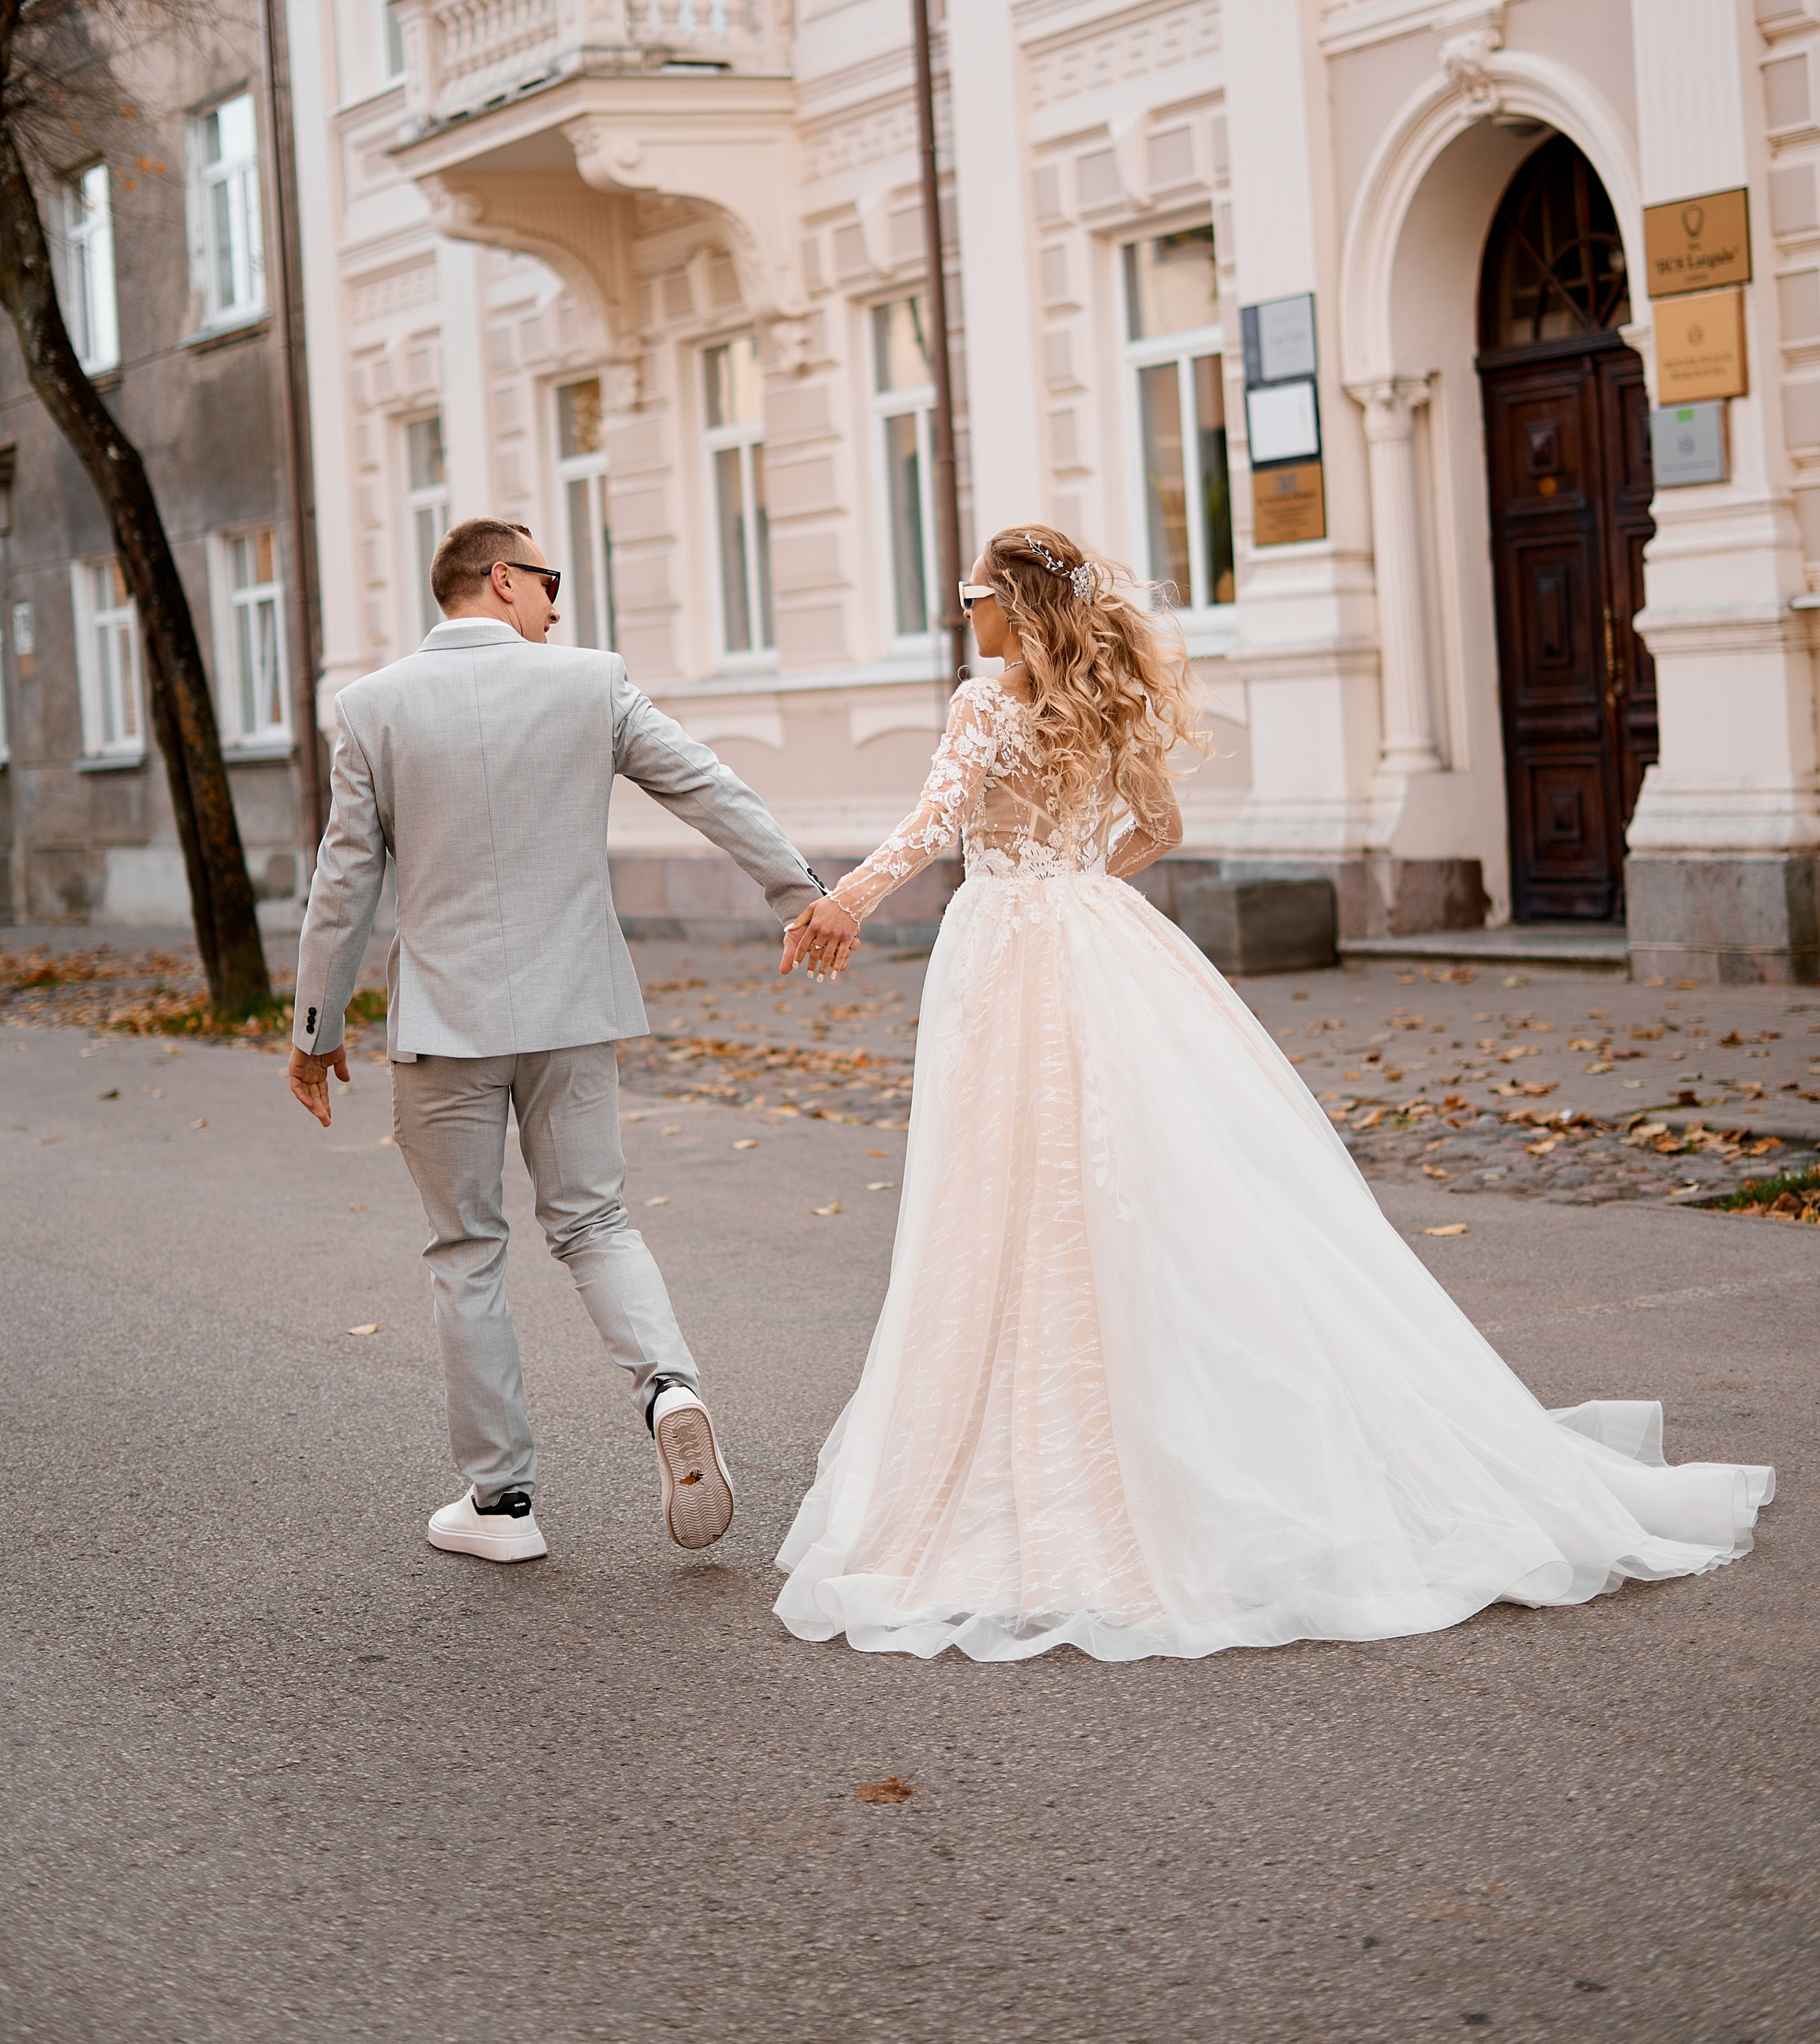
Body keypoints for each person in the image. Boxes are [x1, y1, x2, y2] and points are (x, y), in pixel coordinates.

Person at [772, 523, 1775, 1663]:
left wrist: (845, 900)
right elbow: (1161, 828)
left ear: (1014, 603)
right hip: (1097, 937)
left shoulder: (979, 703)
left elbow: (932, 826)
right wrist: (1074, 884)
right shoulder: (1105, 703)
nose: (966, 616)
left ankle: (1056, 1441)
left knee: (1009, 1182)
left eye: (973, 596)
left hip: (1005, 947)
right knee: (1144, 1173)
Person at [287, 516, 827, 1566]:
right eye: (547, 580)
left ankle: (500, 1507)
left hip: (446, 1024)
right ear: (499, 579)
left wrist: (316, 1028)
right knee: (595, 1223)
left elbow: (342, 882)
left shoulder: (373, 708)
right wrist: (797, 891)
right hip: (575, 1008)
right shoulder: (591, 682)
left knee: (467, 1251)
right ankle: (669, 1388)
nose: (556, 604)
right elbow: (708, 785)